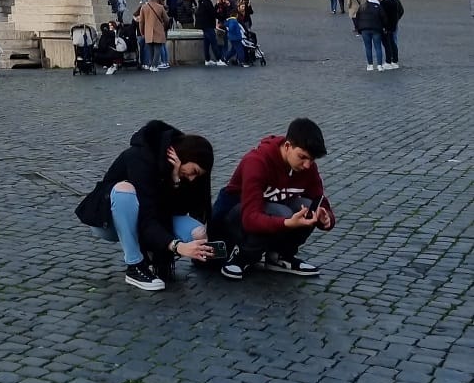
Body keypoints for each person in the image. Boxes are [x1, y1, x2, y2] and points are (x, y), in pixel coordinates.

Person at [75, 121, 215, 292]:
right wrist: (177, 246)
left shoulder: (179, 173)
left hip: (151, 219)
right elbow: (146, 215)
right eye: (193, 171)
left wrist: (175, 181)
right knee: (124, 191)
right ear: (184, 156)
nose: (193, 178)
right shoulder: (139, 156)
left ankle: (153, 252)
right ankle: (135, 266)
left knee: (198, 233)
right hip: (110, 222)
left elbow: (176, 211)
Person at [211, 117, 335, 280]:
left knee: (307, 207)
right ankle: (243, 256)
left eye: (311, 160)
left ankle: (279, 257)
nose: (307, 165)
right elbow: (250, 218)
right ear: (288, 146)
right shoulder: (256, 162)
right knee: (281, 212)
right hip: (234, 218)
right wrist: (286, 223)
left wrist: (325, 217)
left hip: (270, 212)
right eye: (302, 157)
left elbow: (318, 197)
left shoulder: (307, 167)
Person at [352, 0, 386, 71]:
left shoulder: (362, 6)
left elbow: (357, 18)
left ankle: (370, 65)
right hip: (376, 29)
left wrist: (358, 28)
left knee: (368, 47)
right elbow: (384, 18)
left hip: (364, 30)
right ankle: (379, 65)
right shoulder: (378, 6)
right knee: (378, 47)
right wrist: (384, 27)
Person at [135, 0, 169, 72]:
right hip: (159, 30)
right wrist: (164, 27)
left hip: (148, 31)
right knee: (157, 48)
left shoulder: (144, 7)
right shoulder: (160, 7)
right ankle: (154, 65)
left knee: (150, 49)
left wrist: (142, 31)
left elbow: (141, 22)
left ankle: (151, 64)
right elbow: (166, 19)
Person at [195, 0, 225, 66]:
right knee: (213, 42)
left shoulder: (201, 1)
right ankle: (218, 59)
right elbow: (213, 12)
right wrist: (221, 17)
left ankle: (207, 59)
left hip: (203, 25)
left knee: (207, 43)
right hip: (208, 25)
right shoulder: (207, 2)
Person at [378, 0, 404, 69]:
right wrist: (396, 19)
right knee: (393, 42)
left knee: (387, 44)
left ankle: (389, 61)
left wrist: (384, 26)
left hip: (387, 26)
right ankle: (394, 60)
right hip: (393, 25)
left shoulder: (384, 2)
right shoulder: (395, 0)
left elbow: (382, 15)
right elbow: (401, 11)